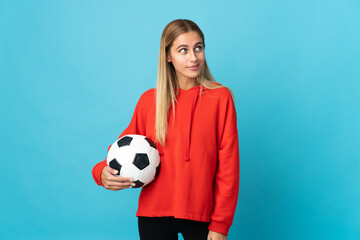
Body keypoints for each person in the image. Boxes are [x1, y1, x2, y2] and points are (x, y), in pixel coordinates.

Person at [92, 19, 240, 240]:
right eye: (183, 50)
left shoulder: (220, 98)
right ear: (168, 56)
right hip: (153, 215)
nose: (193, 57)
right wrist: (101, 171)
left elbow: (228, 168)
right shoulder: (149, 100)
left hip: (202, 217)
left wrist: (220, 223)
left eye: (198, 48)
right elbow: (123, 147)